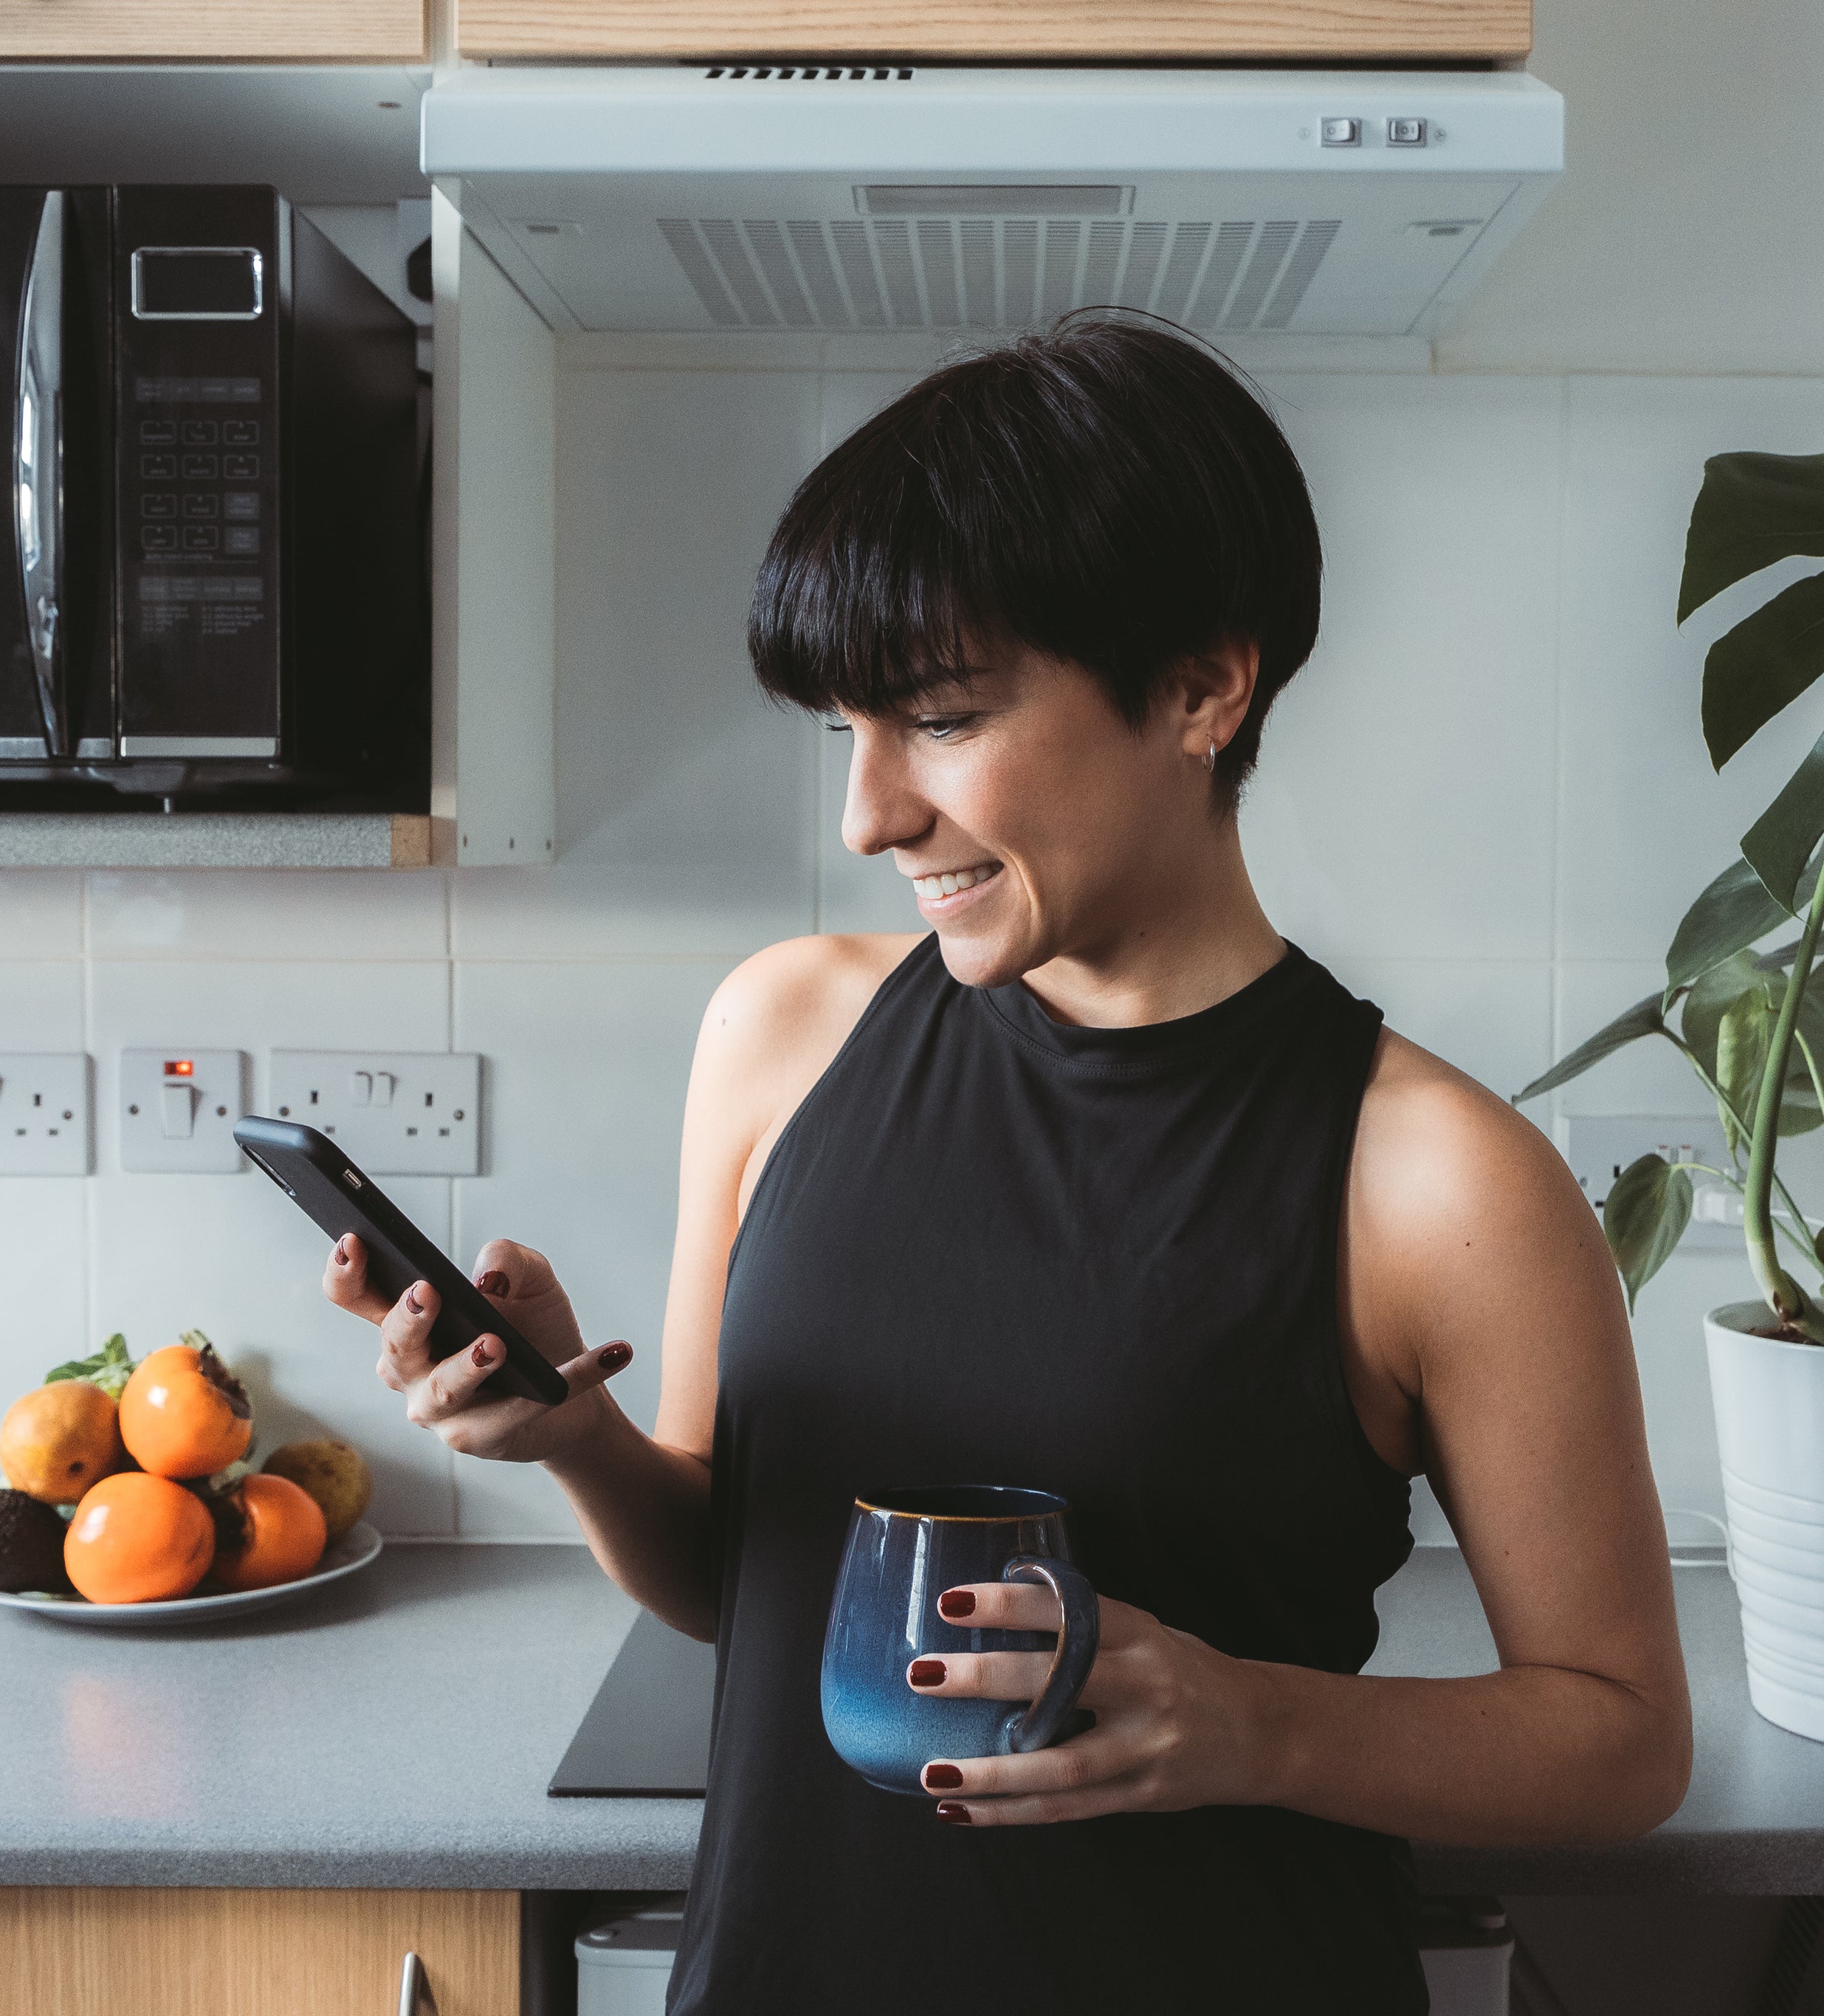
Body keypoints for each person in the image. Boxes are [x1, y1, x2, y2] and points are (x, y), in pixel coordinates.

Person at [325, 313, 1690, 2012]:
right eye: (846, 734)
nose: (867, 815)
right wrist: (576, 1438)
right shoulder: (782, 1033)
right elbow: (720, 1584)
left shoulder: (1433, 1183)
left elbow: (1619, 1740)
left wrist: (1258, 1723)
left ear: (1203, 684)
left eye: (945, 720)